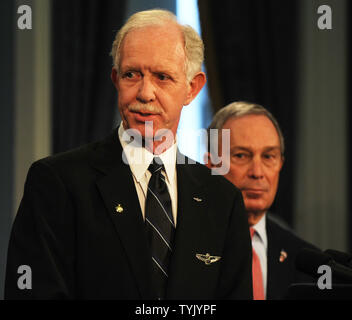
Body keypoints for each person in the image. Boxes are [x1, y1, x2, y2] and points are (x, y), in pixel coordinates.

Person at [5, 10, 252, 300]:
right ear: (115, 78)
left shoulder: (222, 199)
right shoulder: (58, 183)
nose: (145, 93)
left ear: (192, 88)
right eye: (132, 75)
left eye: (162, 77)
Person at [205, 101, 318, 300]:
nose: (257, 172)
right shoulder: (180, 242)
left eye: (268, 156)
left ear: (280, 164)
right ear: (211, 165)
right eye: (241, 155)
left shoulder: (305, 259)